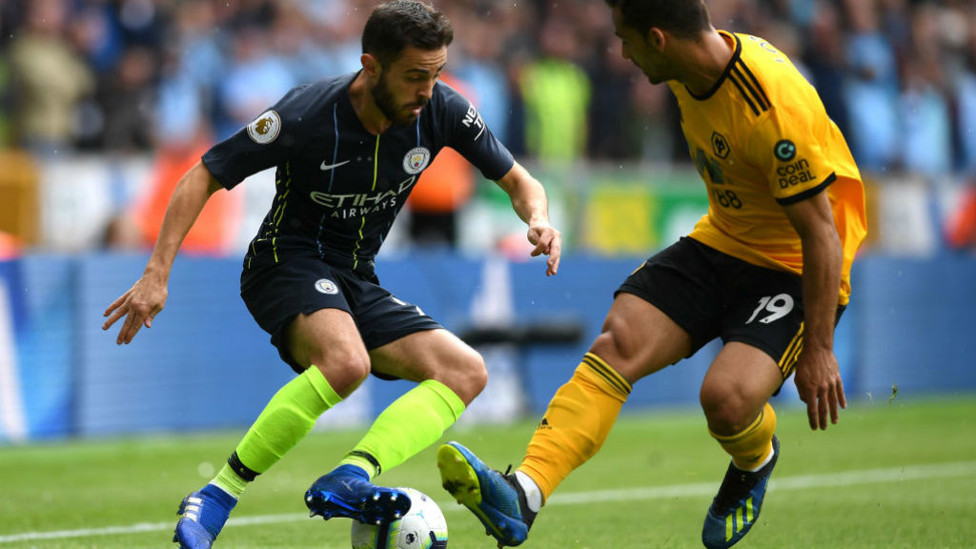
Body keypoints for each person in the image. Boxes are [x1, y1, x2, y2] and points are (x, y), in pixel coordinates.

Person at [101, 2, 561, 548]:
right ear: (371, 66)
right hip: (284, 261)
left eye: (436, 74)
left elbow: (520, 181)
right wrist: (157, 274)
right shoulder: (307, 114)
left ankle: (352, 474)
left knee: (466, 371)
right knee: (347, 362)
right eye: (414, 76)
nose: (427, 90)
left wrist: (538, 218)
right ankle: (217, 494)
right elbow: (203, 174)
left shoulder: (442, 110)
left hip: (355, 277)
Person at [437, 1, 867, 548]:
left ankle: (756, 458)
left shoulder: (772, 105)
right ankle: (524, 492)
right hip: (723, 239)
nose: (622, 53)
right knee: (619, 342)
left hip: (794, 264)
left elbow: (822, 234)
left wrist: (821, 349)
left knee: (727, 401)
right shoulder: (687, 70)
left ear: (659, 39)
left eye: (627, 39)